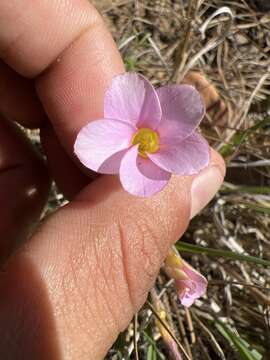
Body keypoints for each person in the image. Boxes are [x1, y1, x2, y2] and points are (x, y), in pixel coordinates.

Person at [0, 1, 225, 359]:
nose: (146, 142)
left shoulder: (179, 144)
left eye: (148, 141)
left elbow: (186, 153)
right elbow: (103, 138)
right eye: (143, 140)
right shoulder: (128, 133)